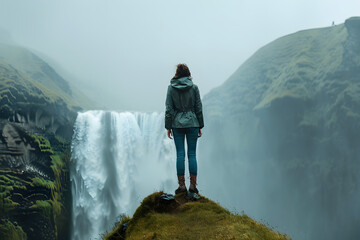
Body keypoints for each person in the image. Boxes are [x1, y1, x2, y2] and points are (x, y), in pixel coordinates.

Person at [165, 63, 204, 196]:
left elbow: (169, 109)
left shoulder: (171, 88)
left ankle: (181, 186)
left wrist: (168, 127)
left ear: (176, 73)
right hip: (193, 122)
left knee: (180, 155)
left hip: (177, 124)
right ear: (188, 74)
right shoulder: (194, 88)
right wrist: (200, 125)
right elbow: (198, 107)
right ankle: (193, 186)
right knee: (192, 154)